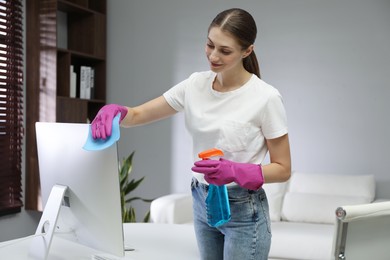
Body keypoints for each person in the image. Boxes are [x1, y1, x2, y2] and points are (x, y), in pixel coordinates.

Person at [91, 8, 291, 260]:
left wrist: (238, 171)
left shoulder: (266, 98)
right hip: (201, 198)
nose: (213, 56)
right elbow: (139, 114)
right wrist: (116, 112)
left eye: (225, 50)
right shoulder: (195, 85)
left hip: (243, 208)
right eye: (210, 45)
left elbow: (283, 168)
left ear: (247, 51)